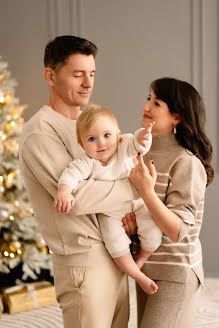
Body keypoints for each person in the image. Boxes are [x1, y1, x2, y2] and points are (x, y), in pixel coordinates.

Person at [19, 35, 141, 328]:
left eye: (92, 74)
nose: (88, 83)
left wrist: (133, 207)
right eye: (78, 74)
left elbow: (120, 167)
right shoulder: (40, 132)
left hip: (115, 251)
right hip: (83, 260)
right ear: (50, 76)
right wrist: (139, 187)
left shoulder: (92, 121)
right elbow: (80, 197)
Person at [122, 77, 214, 328]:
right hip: (146, 269)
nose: (146, 107)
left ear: (177, 117)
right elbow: (137, 212)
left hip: (175, 273)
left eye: (157, 102)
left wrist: (146, 191)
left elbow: (177, 231)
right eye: (148, 99)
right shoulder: (138, 154)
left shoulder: (187, 163)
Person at [53, 104, 162, 294]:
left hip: (137, 203)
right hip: (110, 212)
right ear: (81, 144)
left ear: (118, 134)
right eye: (92, 139)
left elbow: (138, 144)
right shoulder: (87, 162)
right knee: (114, 243)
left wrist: (144, 137)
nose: (101, 143)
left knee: (153, 232)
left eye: (107, 135)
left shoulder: (124, 145)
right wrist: (64, 191)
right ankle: (137, 275)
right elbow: (71, 175)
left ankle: (142, 257)